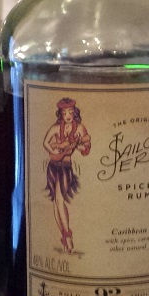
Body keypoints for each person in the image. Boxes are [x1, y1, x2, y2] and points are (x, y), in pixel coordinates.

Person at [43, 98, 91, 253]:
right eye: (65, 113)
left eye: (70, 112)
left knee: (59, 199)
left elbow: (86, 149)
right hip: (53, 166)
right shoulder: (56, 128)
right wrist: (55, 149)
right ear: (61, 114)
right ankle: (64, 236)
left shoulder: (80, 129)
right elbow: (45, 143)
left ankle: (68, 236)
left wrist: (79, 146)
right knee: (55, 203)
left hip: (65, 168)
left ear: (75, 112)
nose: (68, 115)